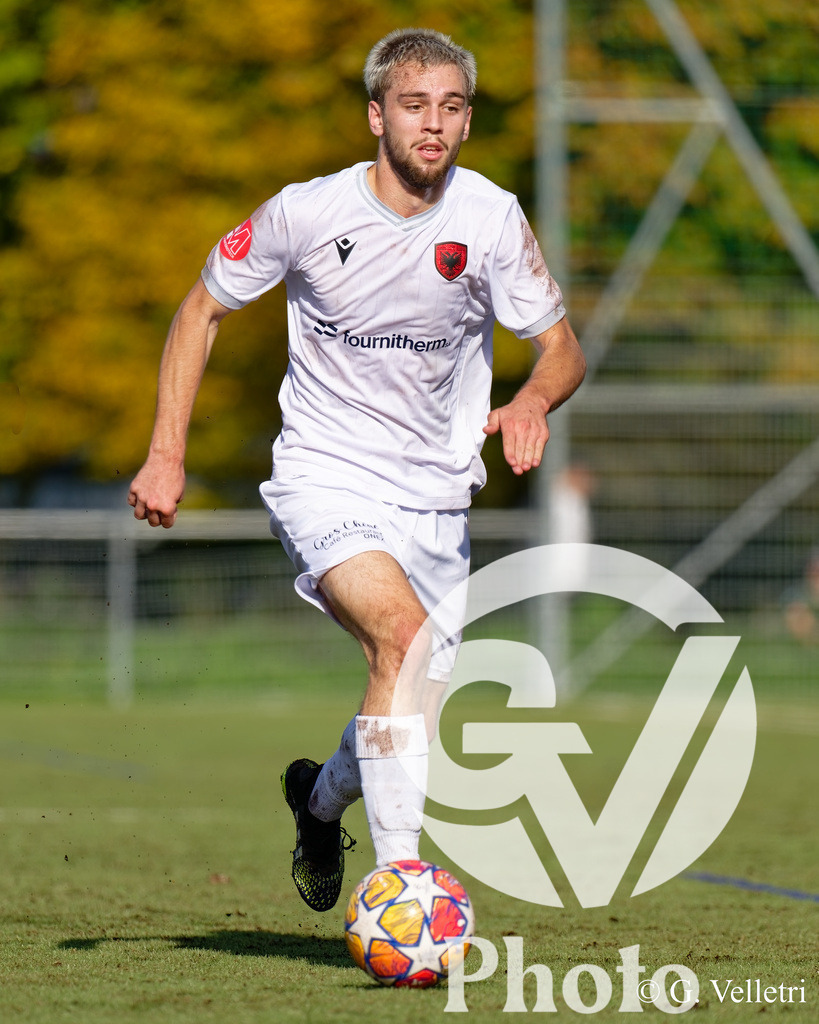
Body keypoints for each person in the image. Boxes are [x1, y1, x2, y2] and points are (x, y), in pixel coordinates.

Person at [128, 28, 586, 913]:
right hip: (325, 473)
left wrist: (531, 401)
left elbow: (561, 348)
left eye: (452, 108)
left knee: (413, 718)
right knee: (403, 644)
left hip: (435, 496)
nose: (435, 125)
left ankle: (317, 798)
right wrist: (166, 451)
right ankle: (400, 888)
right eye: (415, 105)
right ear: (377, 115)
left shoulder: (489, 218)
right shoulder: (306, 212)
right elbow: (200, 311)